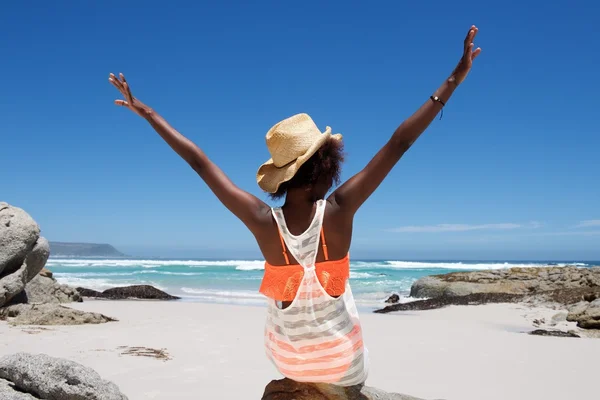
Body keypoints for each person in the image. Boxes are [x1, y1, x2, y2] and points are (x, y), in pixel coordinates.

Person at [109, 25, 481, 386]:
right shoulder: (339, 209)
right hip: (342, 367)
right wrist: (453, 80)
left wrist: (149, 114)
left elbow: (200, 163)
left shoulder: (261, 220)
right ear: (324, 165)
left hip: (287, 362)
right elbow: (399, 143)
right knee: (354, 346)